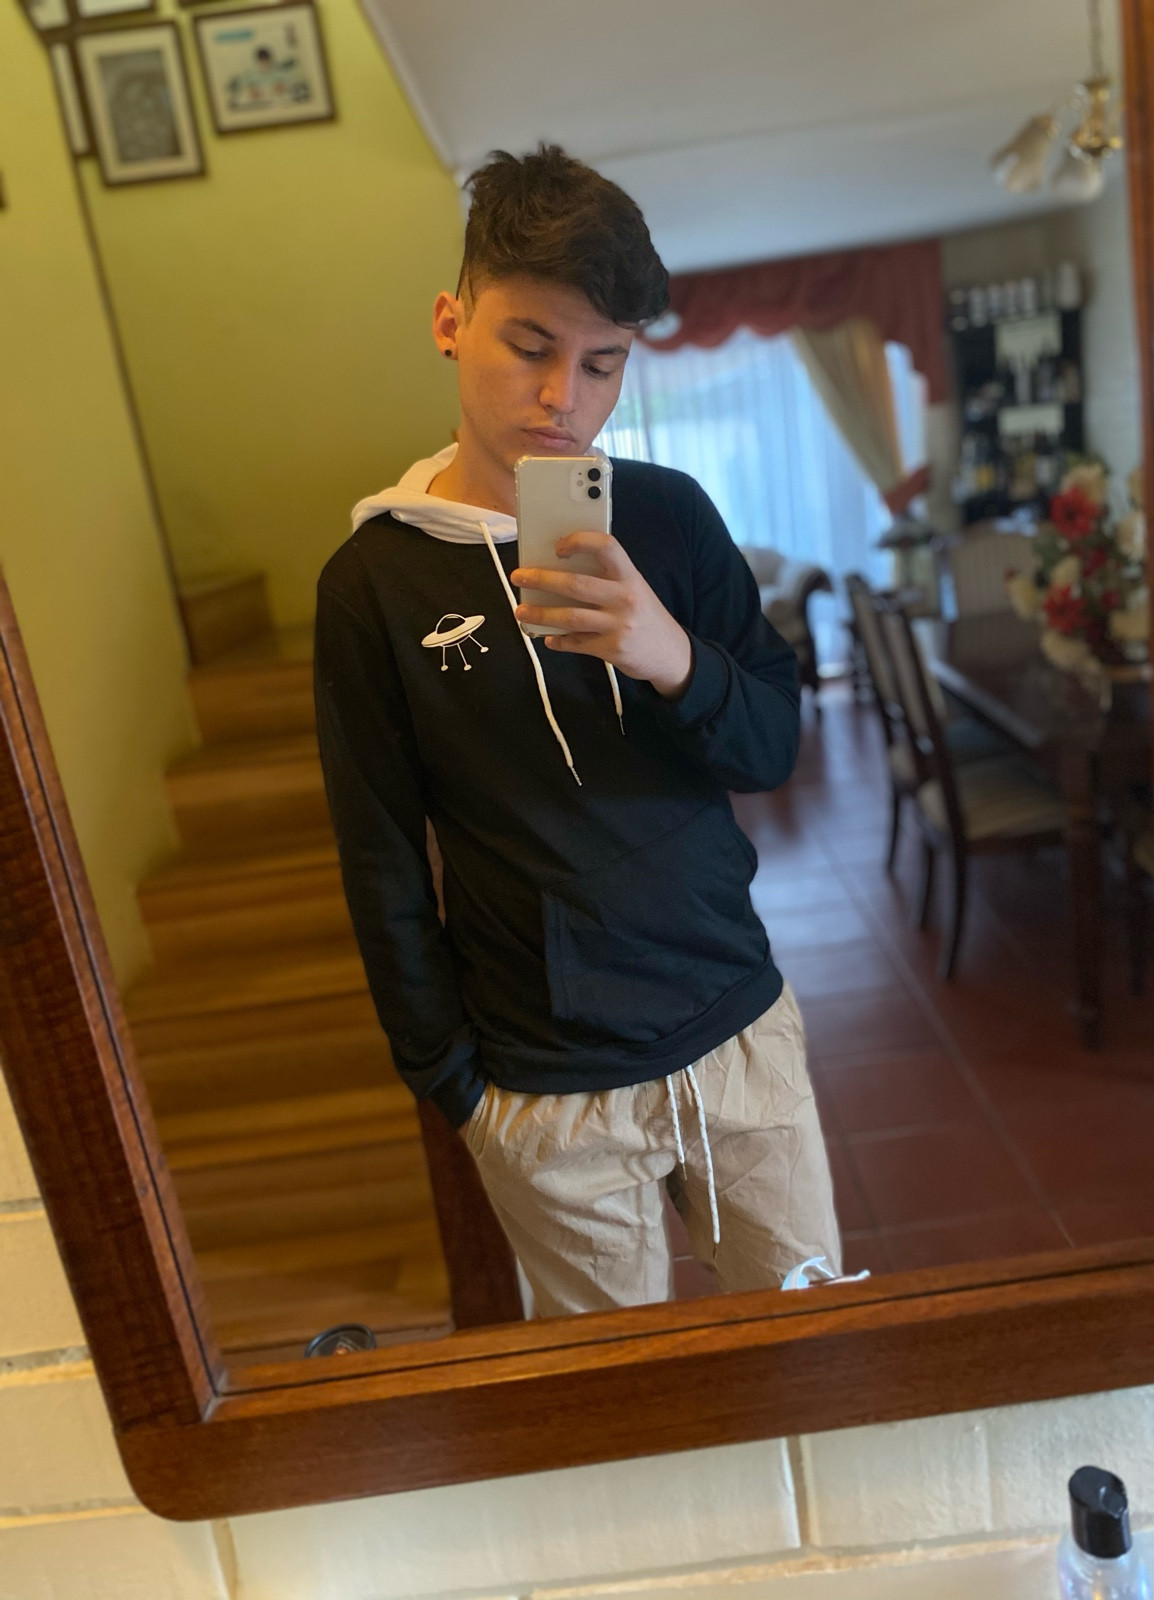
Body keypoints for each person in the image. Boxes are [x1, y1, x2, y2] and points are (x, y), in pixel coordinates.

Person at [313, 144, 840, 1318]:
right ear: (451, 323)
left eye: (604, 363)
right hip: (544, 1089)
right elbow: (380, 855)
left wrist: (671, 656)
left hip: (737, 1030)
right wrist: (452, 1083)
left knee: (811, 1358)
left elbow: (770, 748)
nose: (565, 398)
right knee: (621, 1402)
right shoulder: (372, 586)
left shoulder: (670, 517)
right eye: (531, 346)